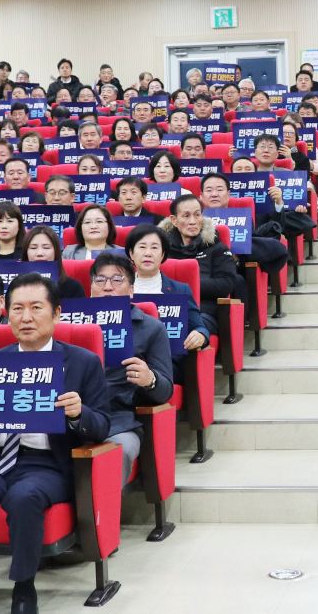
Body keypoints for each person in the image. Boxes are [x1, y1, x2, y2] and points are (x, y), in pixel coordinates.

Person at [0, 274, 111, 614]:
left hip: (47, 465)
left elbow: (103, 425)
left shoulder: (82, 362)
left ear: (56, 313)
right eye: (17, 308)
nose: (26, 317)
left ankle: (23, 591)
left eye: (35, 308)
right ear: (5, 310)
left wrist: (79, 413)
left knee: (24, 496)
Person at [88, 253, 173, 482]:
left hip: (118, 422)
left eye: (117, 280)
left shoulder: (151, 328)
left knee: (118, 452)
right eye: (100, 280)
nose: (108, 287)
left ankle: (105, 506)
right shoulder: (69, 324)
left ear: (132, 290)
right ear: (90, 288)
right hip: (72, 419)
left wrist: (150, 379)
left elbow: (166, 389)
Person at [125, 224, 212, 352]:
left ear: (163, 254)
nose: (148, 253)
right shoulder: (118, 289)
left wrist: (200, 335)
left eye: (154, 248)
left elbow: (200, 327)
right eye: (142, 247)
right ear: (131, 253)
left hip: (168, 358)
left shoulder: (180, 290)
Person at [159, 195, 241, 324]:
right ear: (174, 220)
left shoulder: (216, 247)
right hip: (166, 309)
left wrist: (188, 286)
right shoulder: (161, 248)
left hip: (203, 311)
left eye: (197, 215)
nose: (192, 221)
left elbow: (227, 284)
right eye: (186, 216)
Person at [21, 225, 85, 299]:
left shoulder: (72, 288)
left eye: (46, 247)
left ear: (56, 252)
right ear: (26, 253)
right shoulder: (15, 285)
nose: (39, 253)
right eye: (33, 248)